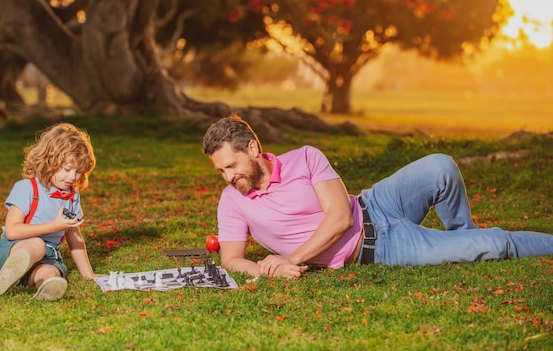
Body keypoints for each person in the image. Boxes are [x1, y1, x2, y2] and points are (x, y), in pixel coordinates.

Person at [202, 114, 553, 279]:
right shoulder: (233, 199)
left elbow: (339, 217)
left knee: (441, 166)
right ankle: (473, 242)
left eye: (231, 165)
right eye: (221, 171)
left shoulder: (306, 157)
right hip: (380, 247)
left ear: (252, 148)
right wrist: (268, 271)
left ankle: (461, 235)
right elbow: (232, 258)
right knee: (494, 245)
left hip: (377, 204)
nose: (228, 177)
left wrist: (290, 258)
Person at [0, 123, 101, 300]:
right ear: (49, 161)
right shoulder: (27, 188)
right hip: (14, 249)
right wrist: (54, 226)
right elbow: (12, 231)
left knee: (51, 272)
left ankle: (45, 287)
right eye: (67, 169)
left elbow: (75, 237)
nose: (73, 177)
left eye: (78, 172)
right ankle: (9, 273)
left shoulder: (72, 196)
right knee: (36, 245)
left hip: (48, 255)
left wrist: (89, 274)